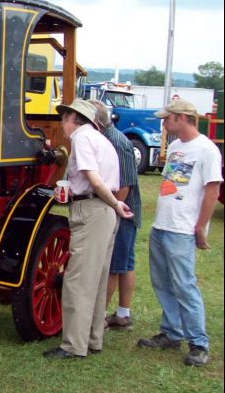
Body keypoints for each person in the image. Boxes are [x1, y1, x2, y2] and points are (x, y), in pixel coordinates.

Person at [43, 99, 133, 359]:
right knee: (97, 279)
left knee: (78, 281)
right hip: (103, 212)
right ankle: (93, 339)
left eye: (64, 117)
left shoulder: (82, 139)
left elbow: (93, 178)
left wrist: (115, 203)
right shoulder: (102, 139)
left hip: (93, 209)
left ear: (73, 118)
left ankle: (73, 346)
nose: (62, 123)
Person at [137, 99, 223, 367]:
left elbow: (212, 191)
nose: (164, 123)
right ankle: (172, 333)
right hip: (162, 225)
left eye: (168, 118)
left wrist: (200, 227)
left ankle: (199, 343)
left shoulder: (206, 150)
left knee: (185, 285)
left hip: (182, 229)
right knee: (162, 282)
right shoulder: (175, 146)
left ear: (183, 118)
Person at [89, 100, 142, 329]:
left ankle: (99, 318)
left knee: (114, 263)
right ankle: (122, 315)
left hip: (123, 209)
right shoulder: (108, 138)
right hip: (123, 208)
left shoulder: (117, 142)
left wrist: (114, 209)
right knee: (125, 263)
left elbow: (125, 185)